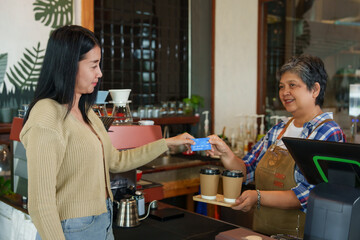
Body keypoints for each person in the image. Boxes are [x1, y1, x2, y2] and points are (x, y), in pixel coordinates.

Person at [20, 25, 194, 240]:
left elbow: (116, 161)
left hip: (102, 220)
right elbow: (40, 202)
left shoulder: (86, 111)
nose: (99, 73)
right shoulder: (47, 114)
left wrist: (166, 143)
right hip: (70, 228)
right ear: (68, 65)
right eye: (93, 65)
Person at [207, 54, 345, 237]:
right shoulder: (279, 129)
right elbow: (246, 170)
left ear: (315, 90)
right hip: (263, 232)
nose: (284, 92)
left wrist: (258, 197)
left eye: (292, 85)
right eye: (282, 86)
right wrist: (226, 154)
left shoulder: (327, 132)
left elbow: (308, 194)